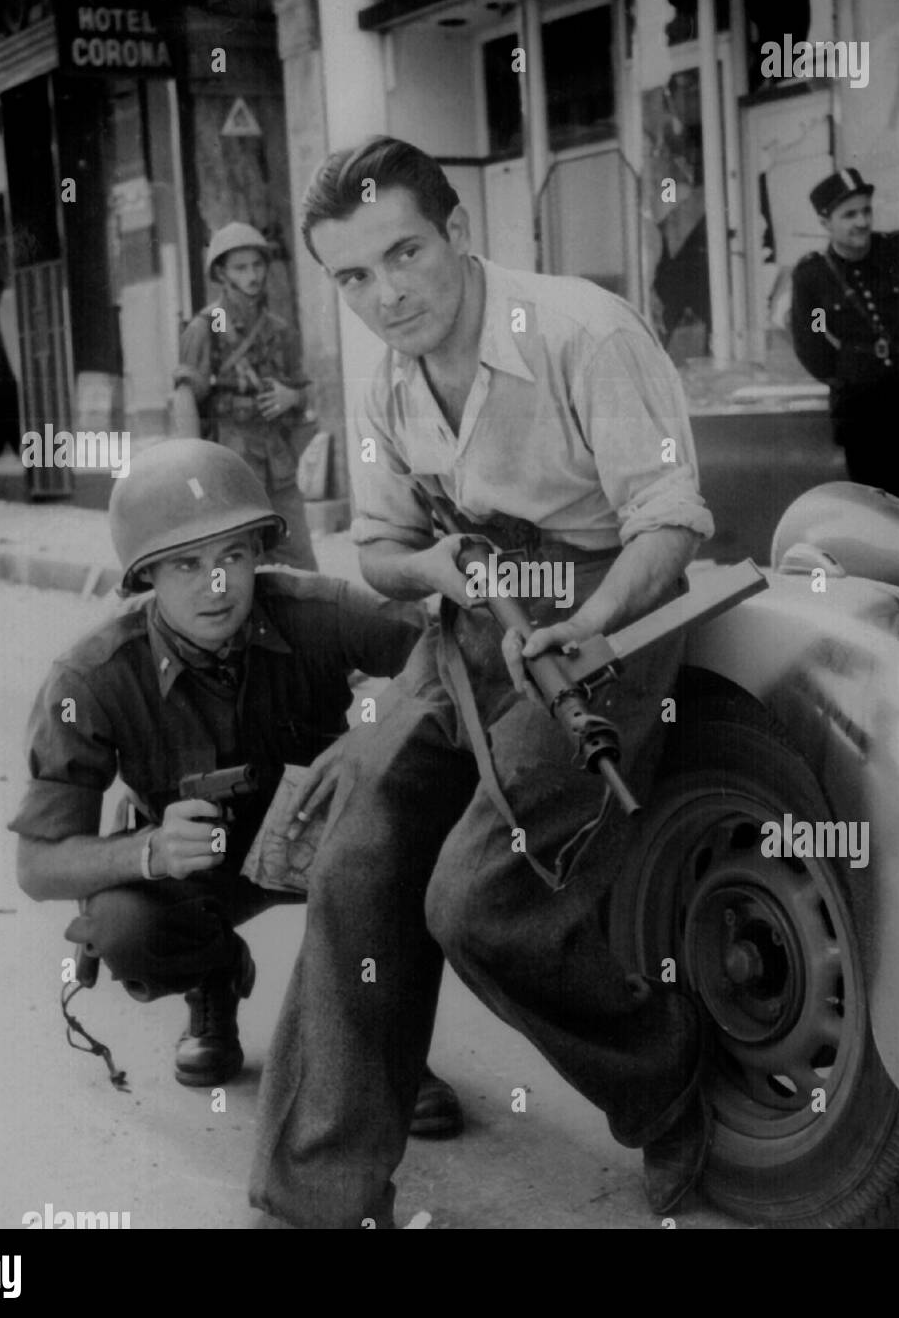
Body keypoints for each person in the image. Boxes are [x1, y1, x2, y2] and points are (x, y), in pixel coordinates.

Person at [249, 136, 715, 1230]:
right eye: (352, 276)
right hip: (467, 626)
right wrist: (436, 568)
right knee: (356, 862)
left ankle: (673, 1086)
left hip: (610, 614)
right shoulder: (385, 382)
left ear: (457, 231)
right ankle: (319, 1193)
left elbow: (668, 525)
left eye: (403, 252)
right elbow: (379, 549)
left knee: (479, 901)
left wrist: (588, 626)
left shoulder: (581, 332)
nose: (386, 293)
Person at [9, 438, 462, 1136]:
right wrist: (151, 851)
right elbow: (37, 863)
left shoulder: (317, 610)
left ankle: (386, 1041)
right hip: (198, 870)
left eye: (232, 558)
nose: (215, 586)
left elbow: (446, 653)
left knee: (404, 830)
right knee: (124, 926)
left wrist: (369, 736)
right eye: (186, 564)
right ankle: (213, 976)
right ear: (145, 578)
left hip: (327, 843)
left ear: (258, 554)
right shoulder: (91, 678)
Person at [790, 168, 899, 520]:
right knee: (886, 516)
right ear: (825, 222)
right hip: (867, 417)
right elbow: (811, 343)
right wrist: (850, 374)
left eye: (866, 211)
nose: (862, 222)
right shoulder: (813, 276)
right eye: (850, 214)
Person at [172, 222, 319, 572]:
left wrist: (291, 397)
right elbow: (185, 395)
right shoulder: (207, 326)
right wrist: (193, 470)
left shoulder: (279, 330)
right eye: (240, 268)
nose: (252, 275)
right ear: (221, 273)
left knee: (301, 566)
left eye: (257, 265)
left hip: (278, 467)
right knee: (238, 566)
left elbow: (306, 395)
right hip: (230, 468)